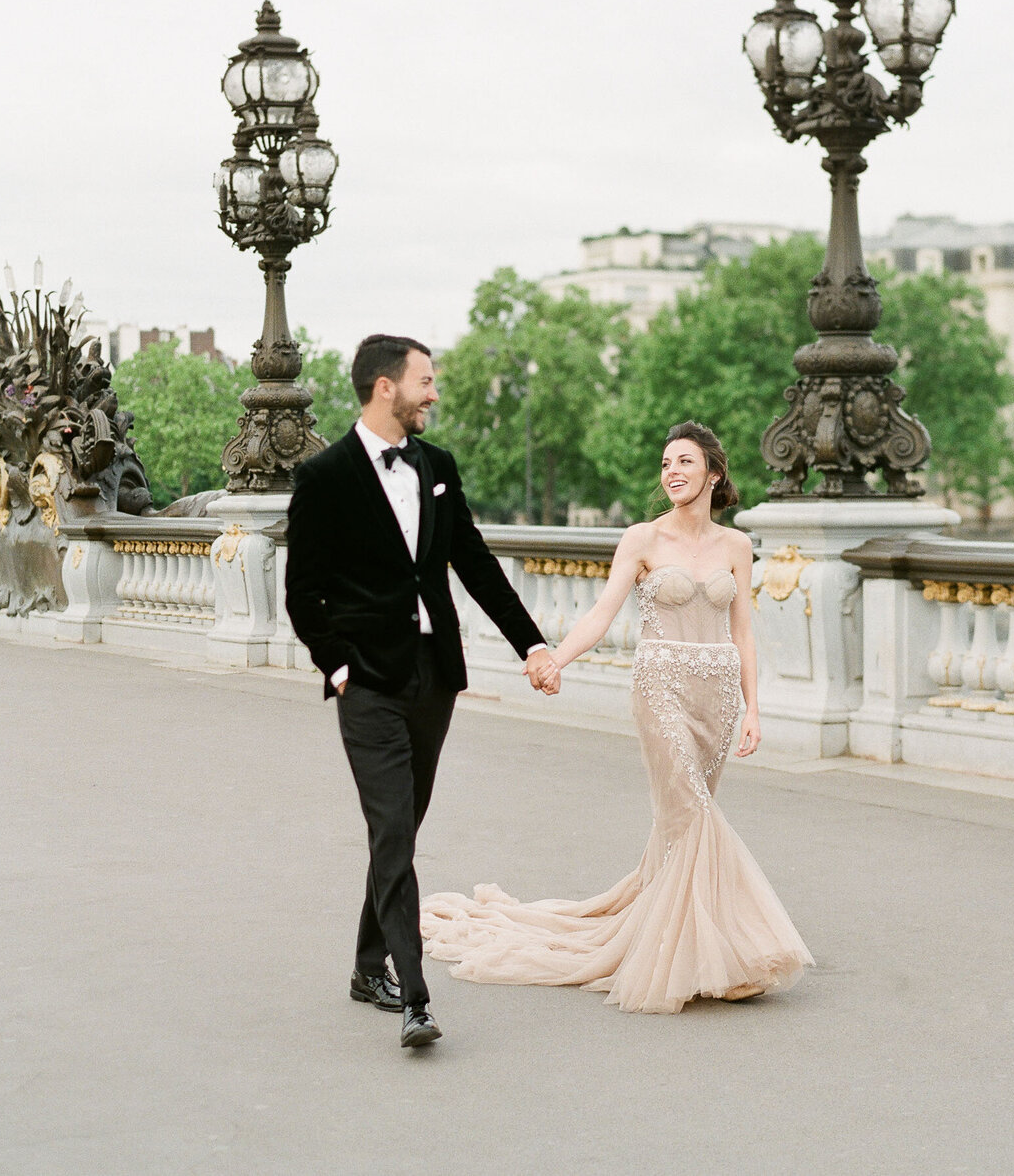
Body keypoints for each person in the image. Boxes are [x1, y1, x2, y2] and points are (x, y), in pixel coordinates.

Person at [421, 421, 814, 1014]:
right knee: (693, 811)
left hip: (718, 693)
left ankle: (680, 943)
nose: (672, 472)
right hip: (661, 687)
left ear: (713, 473)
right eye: (664, 464)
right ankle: (729, 953)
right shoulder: (642, 539)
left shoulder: (737, 546)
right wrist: (554, 658)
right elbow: (603, 613)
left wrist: (753, 706)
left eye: (684, 461)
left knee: (681, 826)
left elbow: (744, 633)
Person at [285, 334, 559, 1048]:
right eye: (426, 381)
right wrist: (338, 666)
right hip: (367, 683)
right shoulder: (324, 477)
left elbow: (473, 562)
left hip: (434, 677)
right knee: (395, 832)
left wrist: (530, 642)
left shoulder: (437, 466)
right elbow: (301, 593)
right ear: (386, 387)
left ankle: (366, 965)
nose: (434, 393)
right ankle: (415, 998)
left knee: (401, 827)